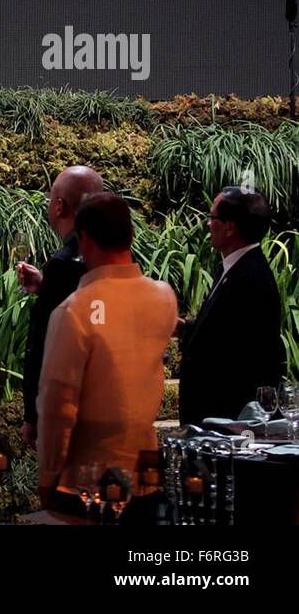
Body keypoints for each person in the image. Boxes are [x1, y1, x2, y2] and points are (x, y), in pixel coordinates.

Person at [36, 193, 177, 503]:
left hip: (88, 481)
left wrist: (48, 475)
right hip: (146, 473)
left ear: (84, 241)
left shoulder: (74, 311)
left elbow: (57, 407)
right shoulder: (164, 297)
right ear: (132, 235)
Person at [178, 187, 286, 424]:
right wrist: (185, 328)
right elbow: (225, 330)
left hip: (228, 420)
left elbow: (245, 352)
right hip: (215, 416)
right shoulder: (234, 268)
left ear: (230, 227)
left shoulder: (251, 277)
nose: (208, 224)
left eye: (213, 218)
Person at [16, 165, 104, 448]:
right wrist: (46, 288)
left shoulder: (64, 263)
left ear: (59, 205)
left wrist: (32, 413)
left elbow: (44, 345)